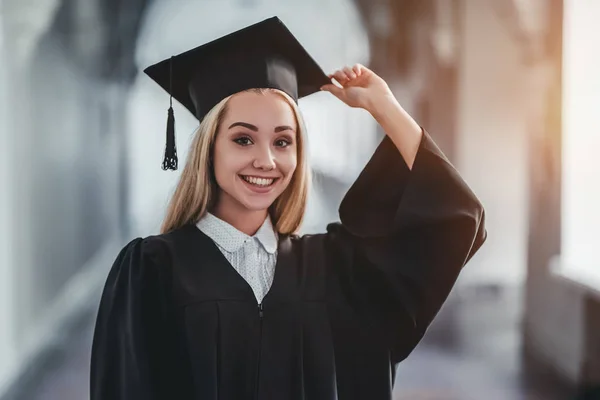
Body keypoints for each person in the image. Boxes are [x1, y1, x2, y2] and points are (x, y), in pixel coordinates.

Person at [90, 16, 487, 400]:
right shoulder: (152, 270)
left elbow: (454, 218)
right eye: (243, 139)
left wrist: (386, 108)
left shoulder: (335, 270)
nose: (266, 161)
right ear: (208, 149)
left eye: (283, 141)